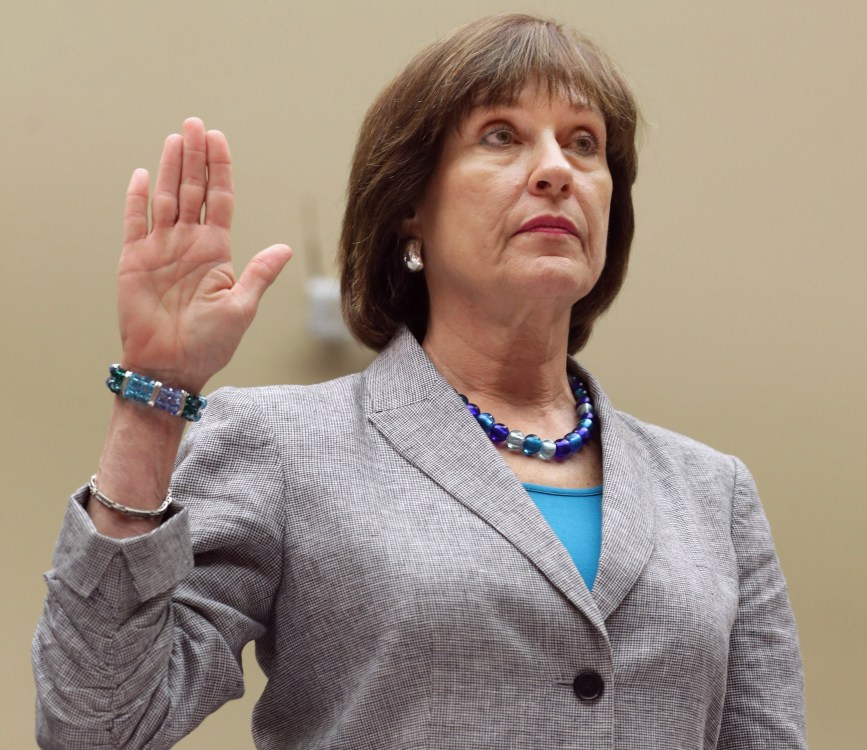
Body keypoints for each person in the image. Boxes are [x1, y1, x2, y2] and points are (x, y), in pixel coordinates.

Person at [33, 13, 807, 750]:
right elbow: (97, 728)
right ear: (410, 206)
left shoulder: (714, 495)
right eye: (501, 135)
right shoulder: (283, 448)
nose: (556, 171)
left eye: (584, 143)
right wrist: (154, 394)